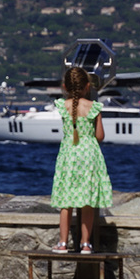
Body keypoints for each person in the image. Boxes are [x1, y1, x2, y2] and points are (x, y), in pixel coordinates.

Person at [50, 66, 112, 254]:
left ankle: (62, 243)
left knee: (66, 202)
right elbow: (100, 136)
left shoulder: (62, 106)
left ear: (65, 87)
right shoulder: (94, 108)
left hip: (69, 154)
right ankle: (86, 243)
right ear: (87, 86)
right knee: (87, 202)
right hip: (89, 155)